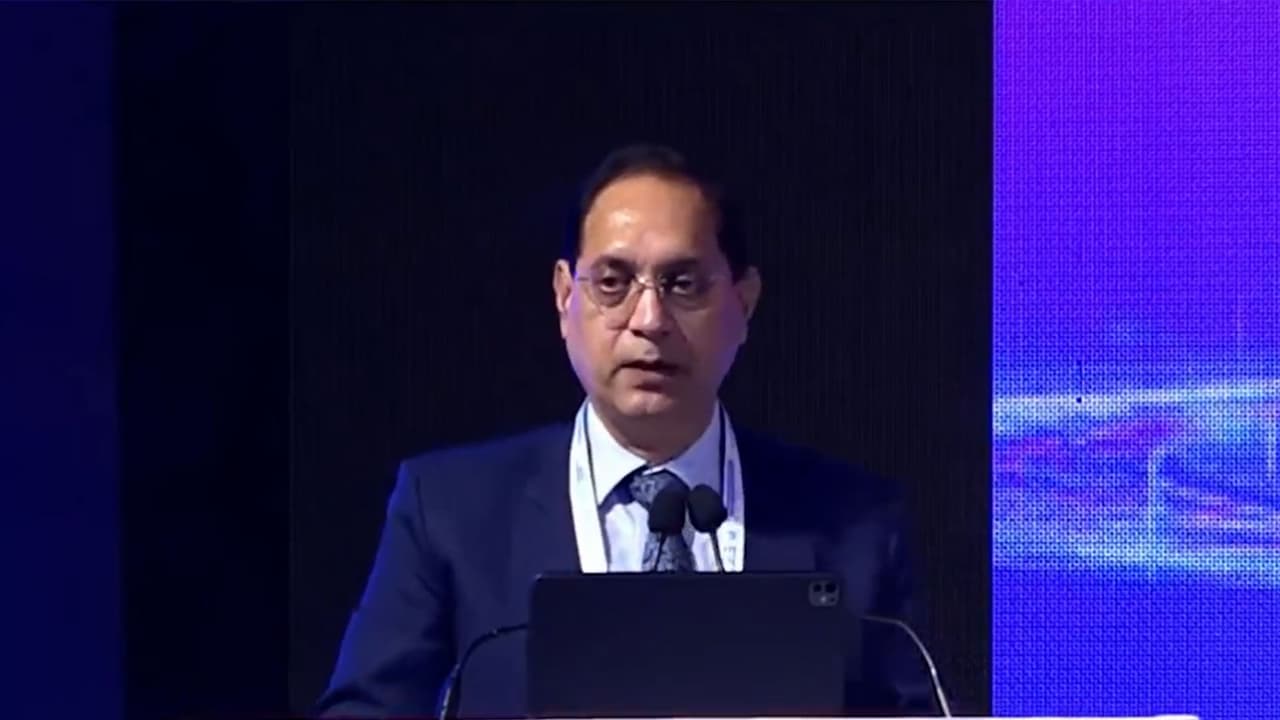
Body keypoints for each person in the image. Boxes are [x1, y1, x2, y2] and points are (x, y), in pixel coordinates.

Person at [314, 144, 934, 717]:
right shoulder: (450, 511)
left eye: (682, 283)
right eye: (613, 283)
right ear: (565, 298)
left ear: (744, 302)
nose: (649, 319)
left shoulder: (856, 523)